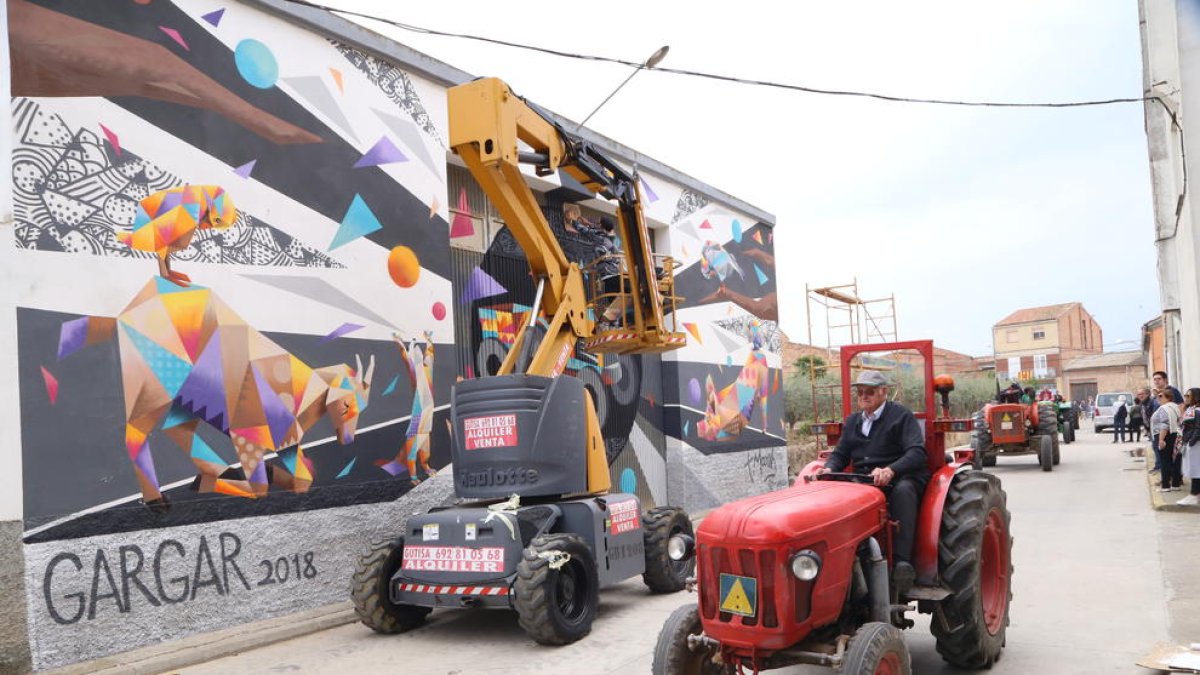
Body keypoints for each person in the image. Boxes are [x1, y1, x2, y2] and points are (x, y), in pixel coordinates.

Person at [817, 370, 929, 593]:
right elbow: (841, 453)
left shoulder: (901, 416)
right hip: (865, 479)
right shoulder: (853, 421)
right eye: (860, 392)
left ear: (883, 392)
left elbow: (917, 452)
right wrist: (828, 468)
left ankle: (901, 562)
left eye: (869, 391)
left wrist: (891, 470)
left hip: (900, 477)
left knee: (904, 491)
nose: (864, 396)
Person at [1150, 389, 1183, 492]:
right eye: (1157, 396)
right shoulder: (1175, 407)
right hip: (1175, 435)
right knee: (1175, 460)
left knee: (1165, 461)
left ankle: (1165, 486)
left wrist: (1160, 439)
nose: (1158, 398)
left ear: (1168, 397)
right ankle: (1175, 484)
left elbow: (1165, 425)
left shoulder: (1164, 408)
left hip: (1164, 435)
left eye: (1161, 396)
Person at [1177, 388, 1200, 506]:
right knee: (1194, 469)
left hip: (1195, 444)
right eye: (1185, 395)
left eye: (1188, 396)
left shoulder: (1197, 410)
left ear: (1196, 397)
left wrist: (1191, 442)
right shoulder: (1191, 409)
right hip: (1191, 443)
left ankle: (1193, 495)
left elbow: (1198, 428)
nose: (1185, 397)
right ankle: (1196, 494)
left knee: (1195, 470)